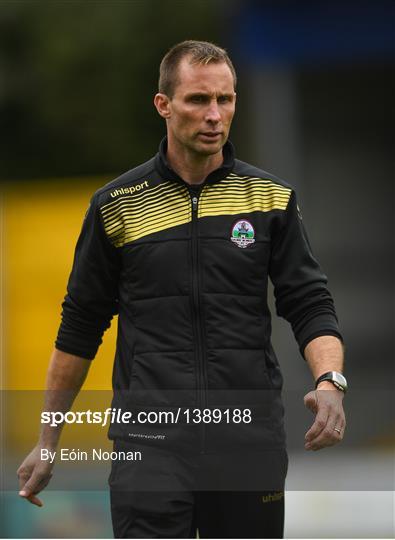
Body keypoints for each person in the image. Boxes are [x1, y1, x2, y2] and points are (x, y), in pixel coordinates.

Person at [17, 40, 347, 538]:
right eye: (198, 100)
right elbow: (81, 326)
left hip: (247, 439)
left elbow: (309, 302)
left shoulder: (270, 198)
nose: (215, 115)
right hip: (149, 443)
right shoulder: (117, 206)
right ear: (164, 105)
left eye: (226, 99)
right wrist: (48, 439)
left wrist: (329, 383)